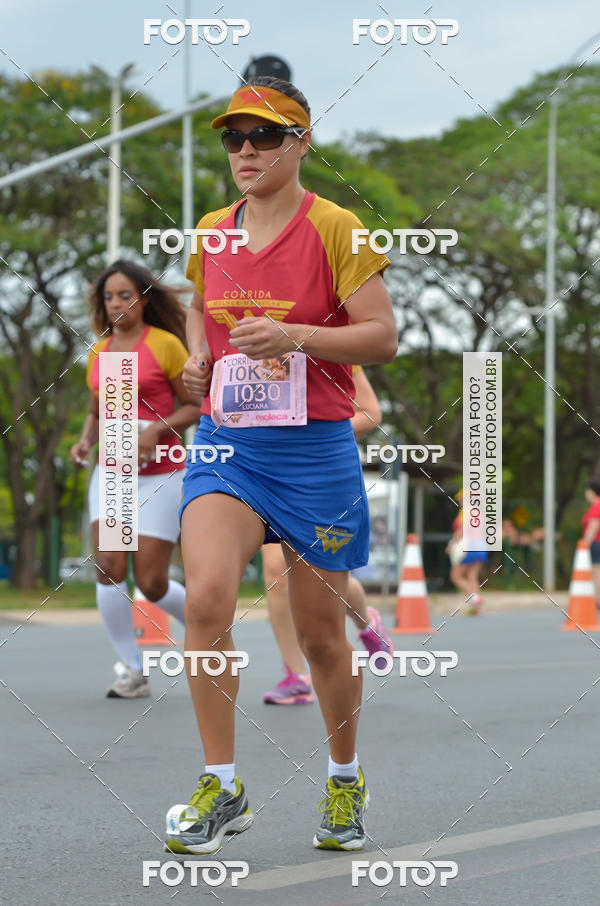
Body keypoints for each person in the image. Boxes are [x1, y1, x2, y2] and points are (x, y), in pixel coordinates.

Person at [165, 76, 397, 855]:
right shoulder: (211, 230)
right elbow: (199, 308)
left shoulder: (338, 227)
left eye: (264, 136)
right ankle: (223, 785)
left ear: (302, 141)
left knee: (323, 636)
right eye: (234, 137)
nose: (245, 151)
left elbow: (381, 337)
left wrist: (296, 335)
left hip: (314, 451)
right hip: (230, 447)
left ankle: (343, 778)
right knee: (204, 601)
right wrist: (200, 360)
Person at [70, 260, 201, 697]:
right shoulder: (99, 352)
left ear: (144, 298)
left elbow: (192, 406)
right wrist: (85, 442)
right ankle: (132, 669)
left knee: (152, 582)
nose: (116, 305)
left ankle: (206, 627)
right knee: (108, 566)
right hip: (113, 474)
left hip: (161, 475)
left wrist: (154, 430)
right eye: (109, 297)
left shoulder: (164, 345)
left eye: (125, 295)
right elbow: (95, 411)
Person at [262, 366, 394, 705]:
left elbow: (370, 412)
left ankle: (367, 621)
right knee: (276, 570)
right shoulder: (242, 347)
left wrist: (313, 441)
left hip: (316, 471)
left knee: (317, 570)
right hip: (263, 470)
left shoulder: (326, 341)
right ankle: (296, 676)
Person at [446, 489, 488, 614]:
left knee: (456, 576)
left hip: (469, 547)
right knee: (472, 576)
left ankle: (475, 598)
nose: (459, 500)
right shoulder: (478, 512)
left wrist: (452, 543)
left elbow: (463, 529)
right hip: (480, 546)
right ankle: (476, 608)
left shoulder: (466, 511)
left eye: (462, 498)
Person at [582, 479, 600, 603]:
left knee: (596, 572)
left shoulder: (597, 506)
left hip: (597, 543)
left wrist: (583, 545)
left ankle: (598, 601)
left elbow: (593, 528)